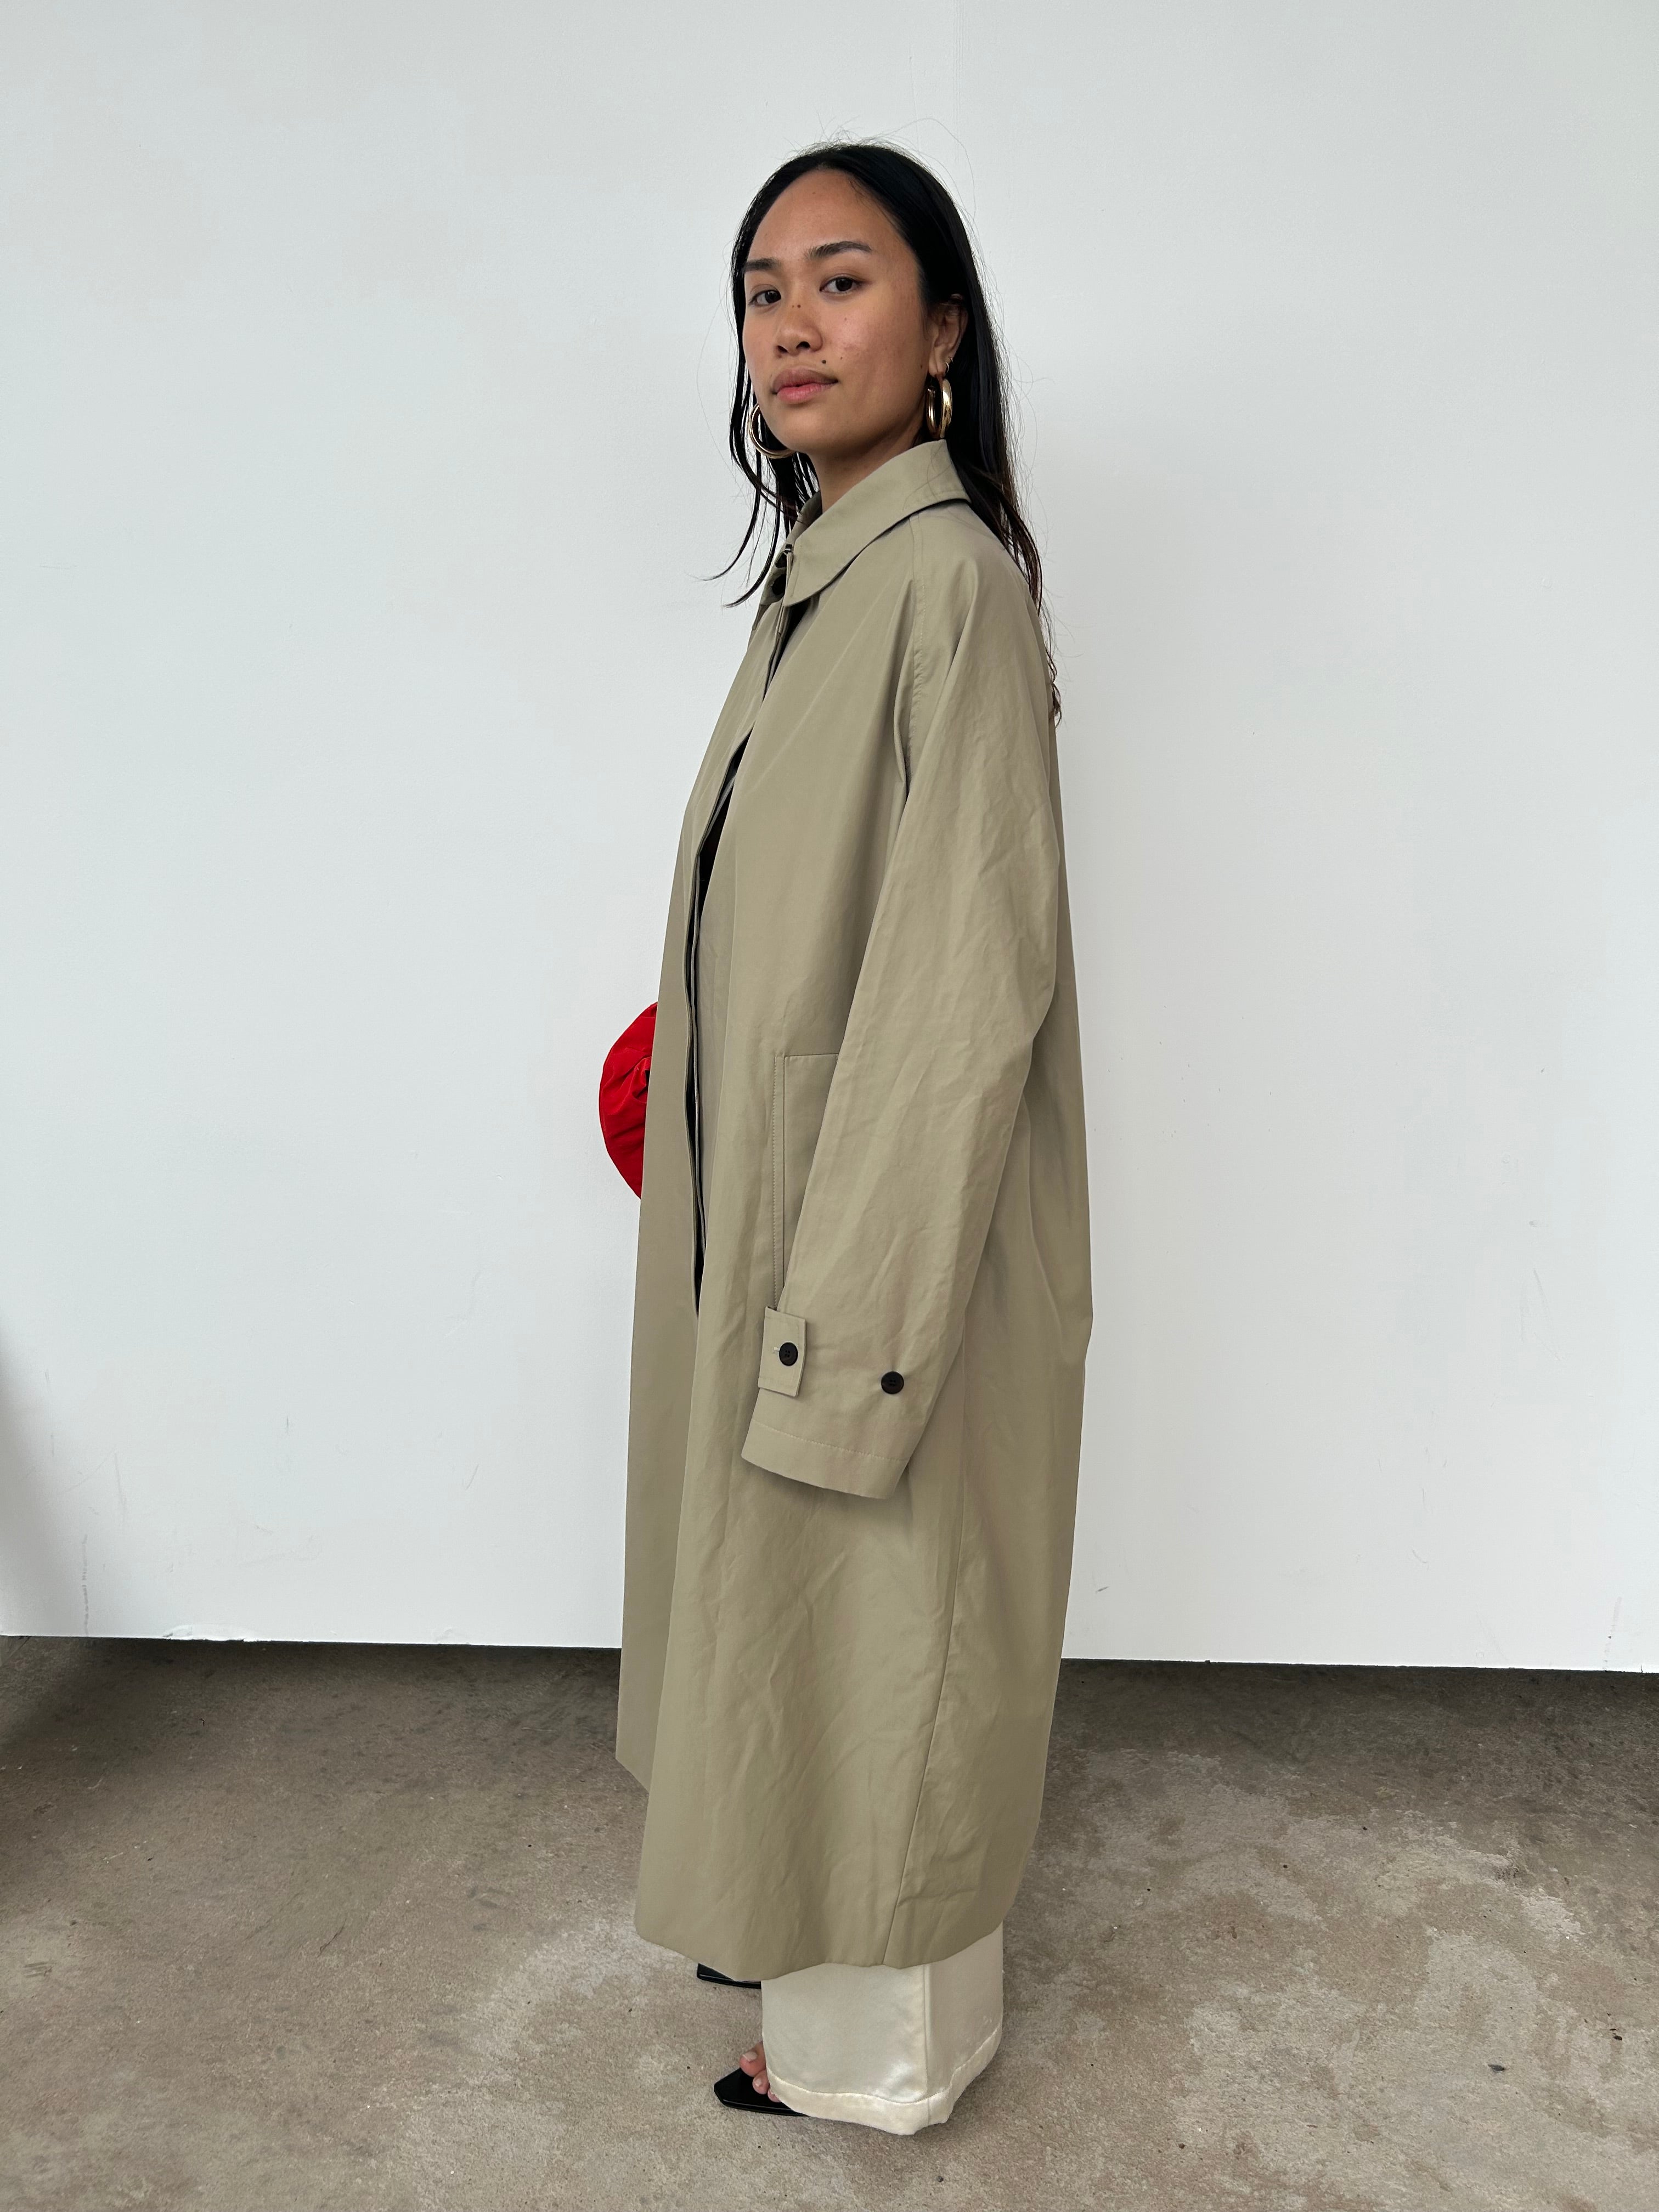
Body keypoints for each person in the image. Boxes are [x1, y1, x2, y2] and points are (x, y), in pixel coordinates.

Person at [614, 140, 1092, 2134]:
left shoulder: (943, 584)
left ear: (943, 328)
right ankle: (812, 1990)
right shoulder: (829, 581)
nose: (791, 328)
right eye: (761, 292)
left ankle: (877, 2065)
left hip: (881, 1248)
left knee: (882, 1635)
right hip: (793, 1219)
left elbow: (960, 993)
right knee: (807, 1640)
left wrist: (853, 1335)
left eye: (841, 280)